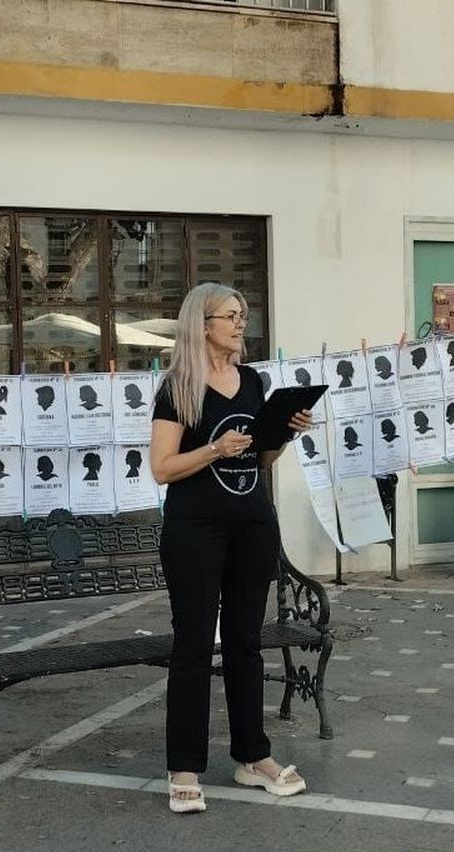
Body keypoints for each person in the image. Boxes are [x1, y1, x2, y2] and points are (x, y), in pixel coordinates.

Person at [150, 283, 314, 814]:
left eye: (244, 315)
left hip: (251, 525)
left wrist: (283, 434)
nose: (241, 324)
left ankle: (253, 756)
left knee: (246, 641)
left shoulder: (252, 380)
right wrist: (214, 448)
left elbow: (260, 462)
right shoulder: (178, 388)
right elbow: (162, 468)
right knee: (194, 644)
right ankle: (183, 766)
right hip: (195, 530)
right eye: (231, 316)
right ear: (202, 324)